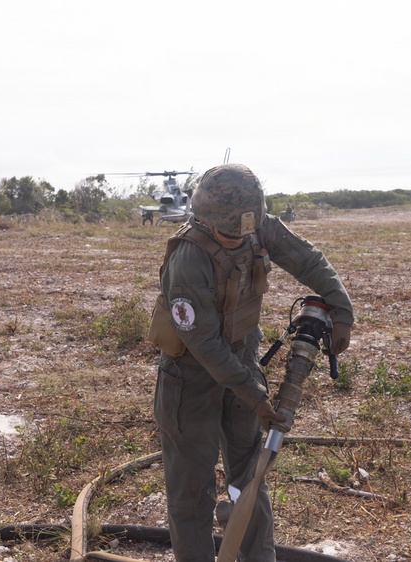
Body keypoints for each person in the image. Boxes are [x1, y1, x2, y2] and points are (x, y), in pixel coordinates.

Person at [151, 163, 354, 562]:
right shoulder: (188, 258)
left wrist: (342, 308)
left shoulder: (256, 224)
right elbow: (204, 343)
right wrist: (256, 395)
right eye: (229, 234)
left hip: (242, 358)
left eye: (245, 231)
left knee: (249, 476)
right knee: (192, 491)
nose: (238, 239)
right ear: (207, 221)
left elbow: (307, 259)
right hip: (189, 378)